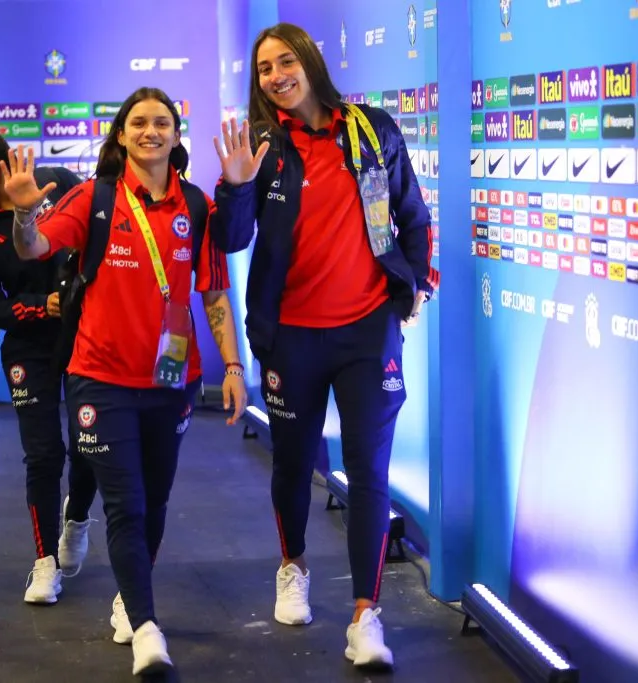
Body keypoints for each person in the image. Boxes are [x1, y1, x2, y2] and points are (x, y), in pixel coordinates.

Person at [208, 23, 440, 669]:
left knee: (369, 471)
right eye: (263, 69)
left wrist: (415, 282)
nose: (276, 75)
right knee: (292, 464)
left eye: (285, 61)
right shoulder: (263, 146)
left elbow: (412, 215)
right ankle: (293, 565)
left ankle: (367, 615)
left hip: (368, 333)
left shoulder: (371, 131)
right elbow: (230, 239)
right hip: (292, 338)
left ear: (309, 60)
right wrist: (233, 186)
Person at [5, 87, 247, 676]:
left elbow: (214, 291)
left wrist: (233, 366)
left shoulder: (195, 204)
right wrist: (21, 210)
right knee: (126, 504)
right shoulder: (93, 198)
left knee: (156, 501)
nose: (150, 132)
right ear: (120, 134)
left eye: (162, 122)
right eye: (138, 123)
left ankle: (129, 594)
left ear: (175, 133)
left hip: (171, 379)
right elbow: (35, 246)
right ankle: (145, 628)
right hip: (99, 379)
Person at [0, 123, 98, 604]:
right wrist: (41, 305)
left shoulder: (52, 178)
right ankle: (44, 563)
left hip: (86, 338)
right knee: (43, 454)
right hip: (28, 346)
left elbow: (98, 236)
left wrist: (77, 298)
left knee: (90, 446)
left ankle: (76, 520)